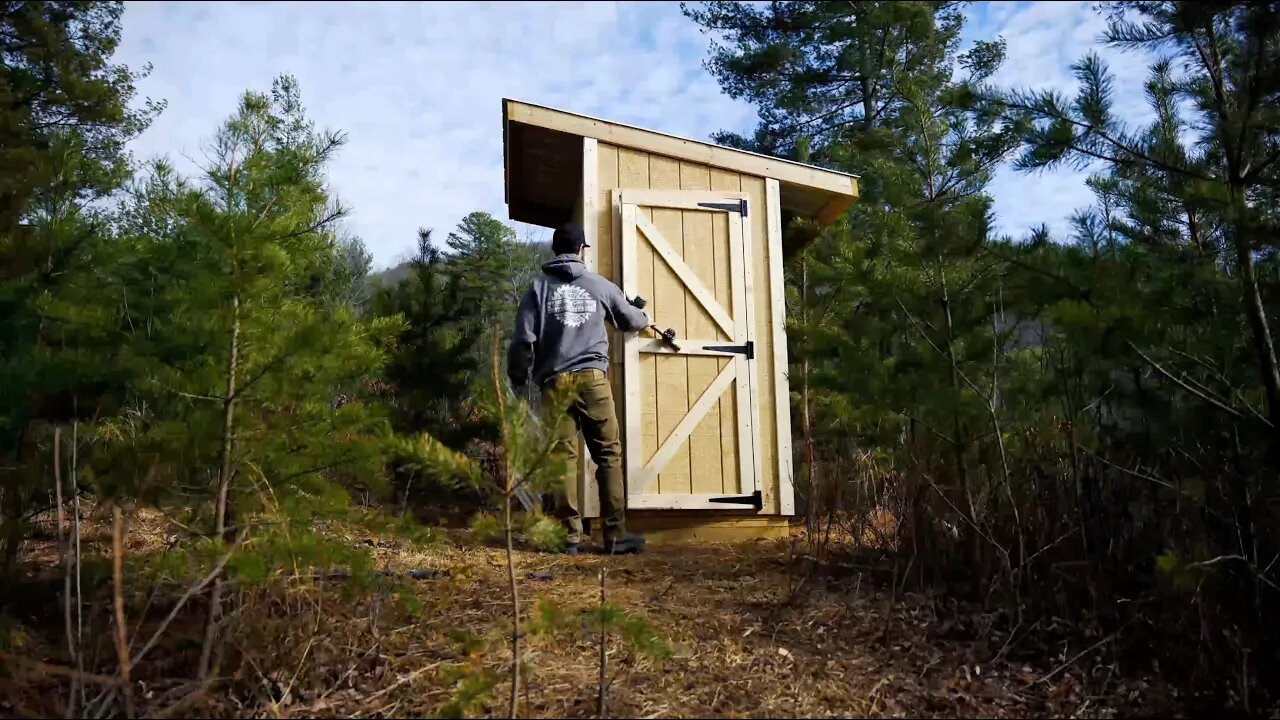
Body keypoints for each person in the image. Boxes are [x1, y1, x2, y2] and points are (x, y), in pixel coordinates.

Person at [507, 222, 649, 555]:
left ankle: (567, 536)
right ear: (581, 249)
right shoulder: (599, 285)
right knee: (608, 456)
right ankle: (614, 535)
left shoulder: (537, 289)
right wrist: (644, 314)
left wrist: (518, 377)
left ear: (555, 251)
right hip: (592, 380)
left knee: (562, 459)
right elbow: (630, 319)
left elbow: (522, 341)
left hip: (554, 383)